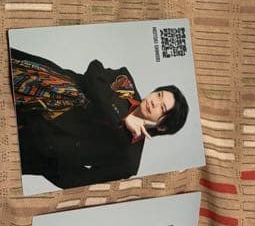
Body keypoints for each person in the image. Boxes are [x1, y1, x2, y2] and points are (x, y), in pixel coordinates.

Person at [10, 48, 189, 188]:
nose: (154, 101)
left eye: (162, 108)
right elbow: (93, 74)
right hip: (33, 82)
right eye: (159, 94)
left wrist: (45, 159)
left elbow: (79, 181)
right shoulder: (126, 84)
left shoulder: (129, 161)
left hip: (32, 143)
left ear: (162, 126)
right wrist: (122, 117)